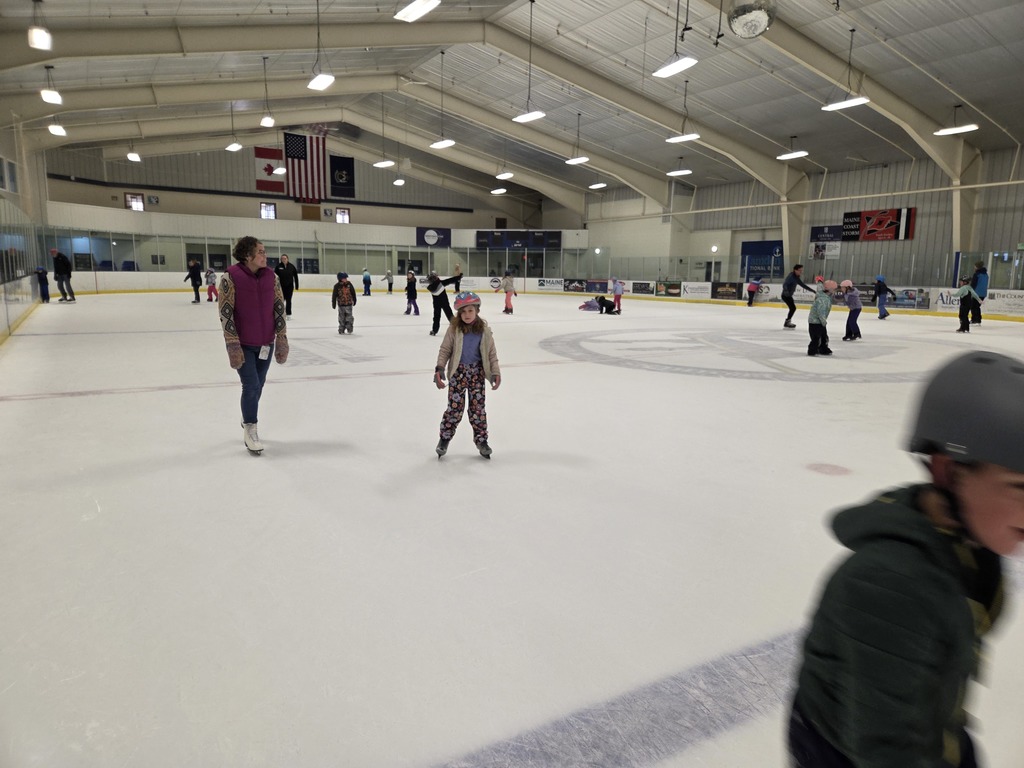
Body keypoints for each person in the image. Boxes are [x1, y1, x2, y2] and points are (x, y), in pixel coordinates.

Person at [788, 349, 1024, 768]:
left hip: (923, 721)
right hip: (841, 752)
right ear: (948, 472)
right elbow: (889, 747)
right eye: (1020, 487)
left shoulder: (972, 547)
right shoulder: (888, 586)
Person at [218, 236, 288, 455]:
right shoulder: (231, 277)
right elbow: (225, 312)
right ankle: (250, 428)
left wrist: (281, 337)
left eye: (264, 251)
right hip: (243, 344)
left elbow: (279, 307)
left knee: (259, 384)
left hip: (266, 342)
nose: (265, 256)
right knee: (250, 385)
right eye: (260, 252)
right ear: (248, 255)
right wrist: (232, 344)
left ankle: (247, 413)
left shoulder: (272, 277)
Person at [433, 291, 501, 459]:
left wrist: (495, 372)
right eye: (463, 311)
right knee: (454, 410)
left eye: (470, 310)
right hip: (458, 373)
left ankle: (481, 441)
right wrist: (440, 368)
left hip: (477, 374)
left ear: (477, 310)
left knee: (478, 410)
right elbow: (445, 350)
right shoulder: (454, 329)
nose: (467, 314)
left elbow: (491, 354)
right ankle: (444, 439)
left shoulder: (484, 331)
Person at [807, 278, 836, 357]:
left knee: (824, 336)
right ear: (830, 290)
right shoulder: (823, 299)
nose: (835, 291)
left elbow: (820, 286)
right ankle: (812, 350)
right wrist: (823, 321)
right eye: (834, 289)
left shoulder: (825, 296)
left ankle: (823, 348)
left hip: (819, 321)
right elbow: (820, 312)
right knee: (816, 337)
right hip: (815, 321)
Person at [427, 270, 459, 336]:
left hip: (436, 304)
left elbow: (450, 280)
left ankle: (434, 330)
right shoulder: (441, 283)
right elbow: (450, 280)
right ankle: (456, 327)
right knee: (449, 315)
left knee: (436, 317)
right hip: (444, 302)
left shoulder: (430, 287)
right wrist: (459, 277)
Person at [969, 260, 988, 325]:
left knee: (974, 306)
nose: (974, 267)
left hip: (976, 293)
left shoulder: (977, 274)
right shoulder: (985, 275)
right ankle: (978, 320)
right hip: (983, 293)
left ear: (977, 267)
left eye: (975, 266)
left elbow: (973, 284)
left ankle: (975, 320)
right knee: (977, 306)